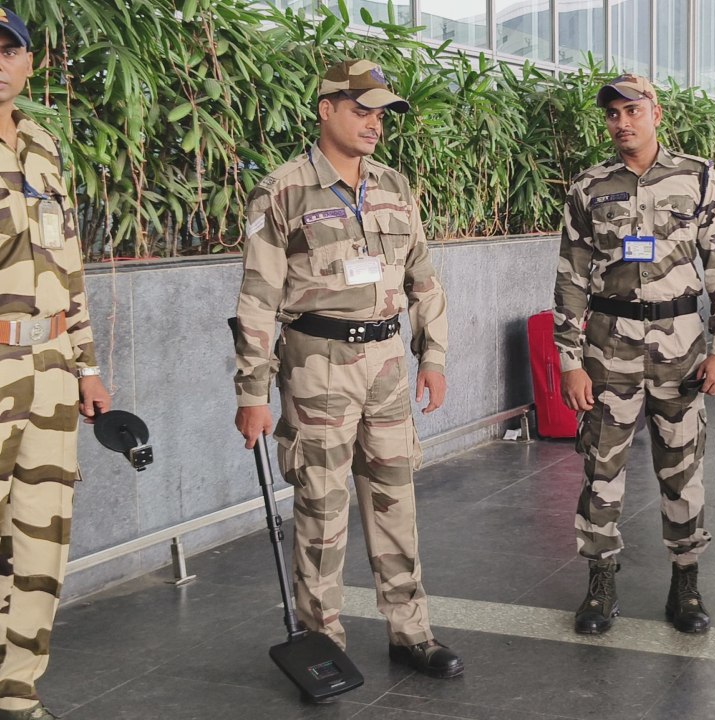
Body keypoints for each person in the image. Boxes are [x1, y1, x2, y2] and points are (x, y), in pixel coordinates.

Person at [232, 59, 462, 687]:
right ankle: (322, 637)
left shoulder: (394, 186)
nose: (375, 123)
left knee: (395, 501)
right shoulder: (282, 190)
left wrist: (432, 355)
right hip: (316, 367)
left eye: (382, 112)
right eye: (362, 109)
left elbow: (423, 278)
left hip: (387, 365)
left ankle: (411, 631)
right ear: (326, 107)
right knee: (322, 508)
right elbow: (255, 299)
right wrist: (252, 391)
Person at [554, 73, 715, 636]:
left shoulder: (699, 178)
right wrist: (569, 360)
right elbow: (569, 280)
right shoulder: (589, 187)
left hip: (682, 349)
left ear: (655, 112)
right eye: (612, 114)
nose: (622, 123)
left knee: (683, 469)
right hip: (609, 347)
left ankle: (686, 583)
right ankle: (600, 583)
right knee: (601, 469)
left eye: (632, 110)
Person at [0, 8, 112, 719]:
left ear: (30, 64)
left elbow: (68, 267)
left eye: (10, 50)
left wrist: (87, 365)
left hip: (48, 366)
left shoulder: (42, 145)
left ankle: (17, 690)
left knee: (41, 537)